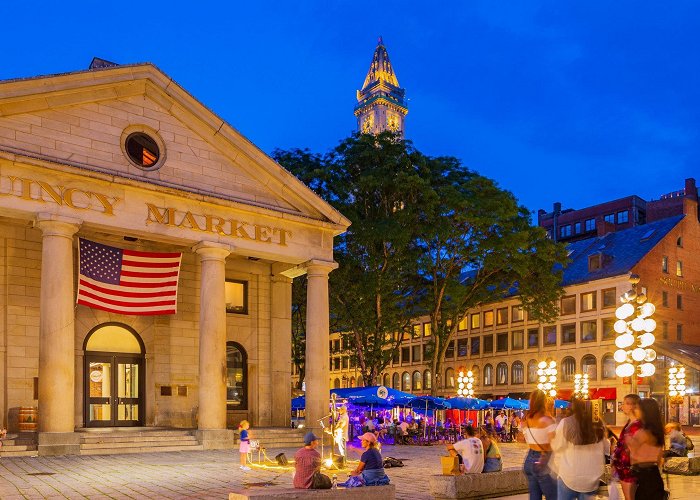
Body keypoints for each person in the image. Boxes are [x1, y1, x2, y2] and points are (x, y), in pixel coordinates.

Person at [551, 398, 606, 499]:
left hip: (569, 476)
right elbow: (605, 449)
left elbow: (556, 446)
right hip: (592, 479)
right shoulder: (599, 423)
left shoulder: (566, 423)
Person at [522, 390, 557, 500]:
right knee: (553, 497)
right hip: (543, 460)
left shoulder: (526, 420)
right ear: (544, 402)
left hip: (529, 460)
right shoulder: (547, 420)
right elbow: (554, 443)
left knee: (534, 496)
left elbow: (523, 439)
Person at [628, 399, 665, 500]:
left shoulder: (643, 433)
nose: (635, 410)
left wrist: (632, 421)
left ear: (645, 412)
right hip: (654, 475)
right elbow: (659, 458)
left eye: (638, 408)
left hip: (642, 476)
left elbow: (630, 449)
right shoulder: (657, 431)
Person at [611, 394, 642, 500]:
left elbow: (629, 448)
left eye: (624, 403)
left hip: (628, 469)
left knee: (629, 498)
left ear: (631, 406)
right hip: (624, 468)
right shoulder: (630, 422)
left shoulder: (637, 425)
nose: (622, 406)